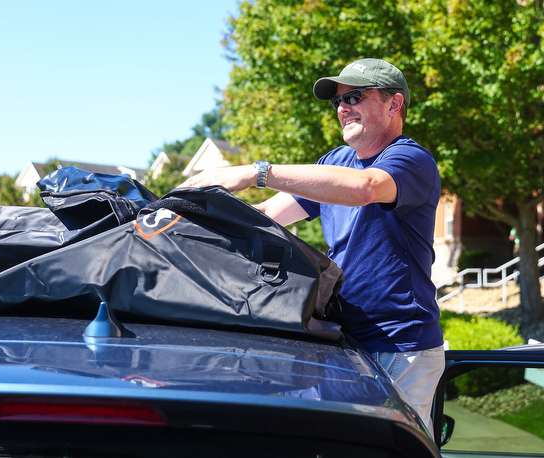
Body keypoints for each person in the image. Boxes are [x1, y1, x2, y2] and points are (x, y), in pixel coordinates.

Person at [180, 58, 444, 433]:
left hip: (400, 348)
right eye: (337, 101)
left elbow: (364, 188)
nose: (342, 108)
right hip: (344, 345)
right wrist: (184, 215)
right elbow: (268, 214)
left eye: (354, 96)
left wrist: (256, 173)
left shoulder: (410, 159)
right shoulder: (335, 162)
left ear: (394, 104)